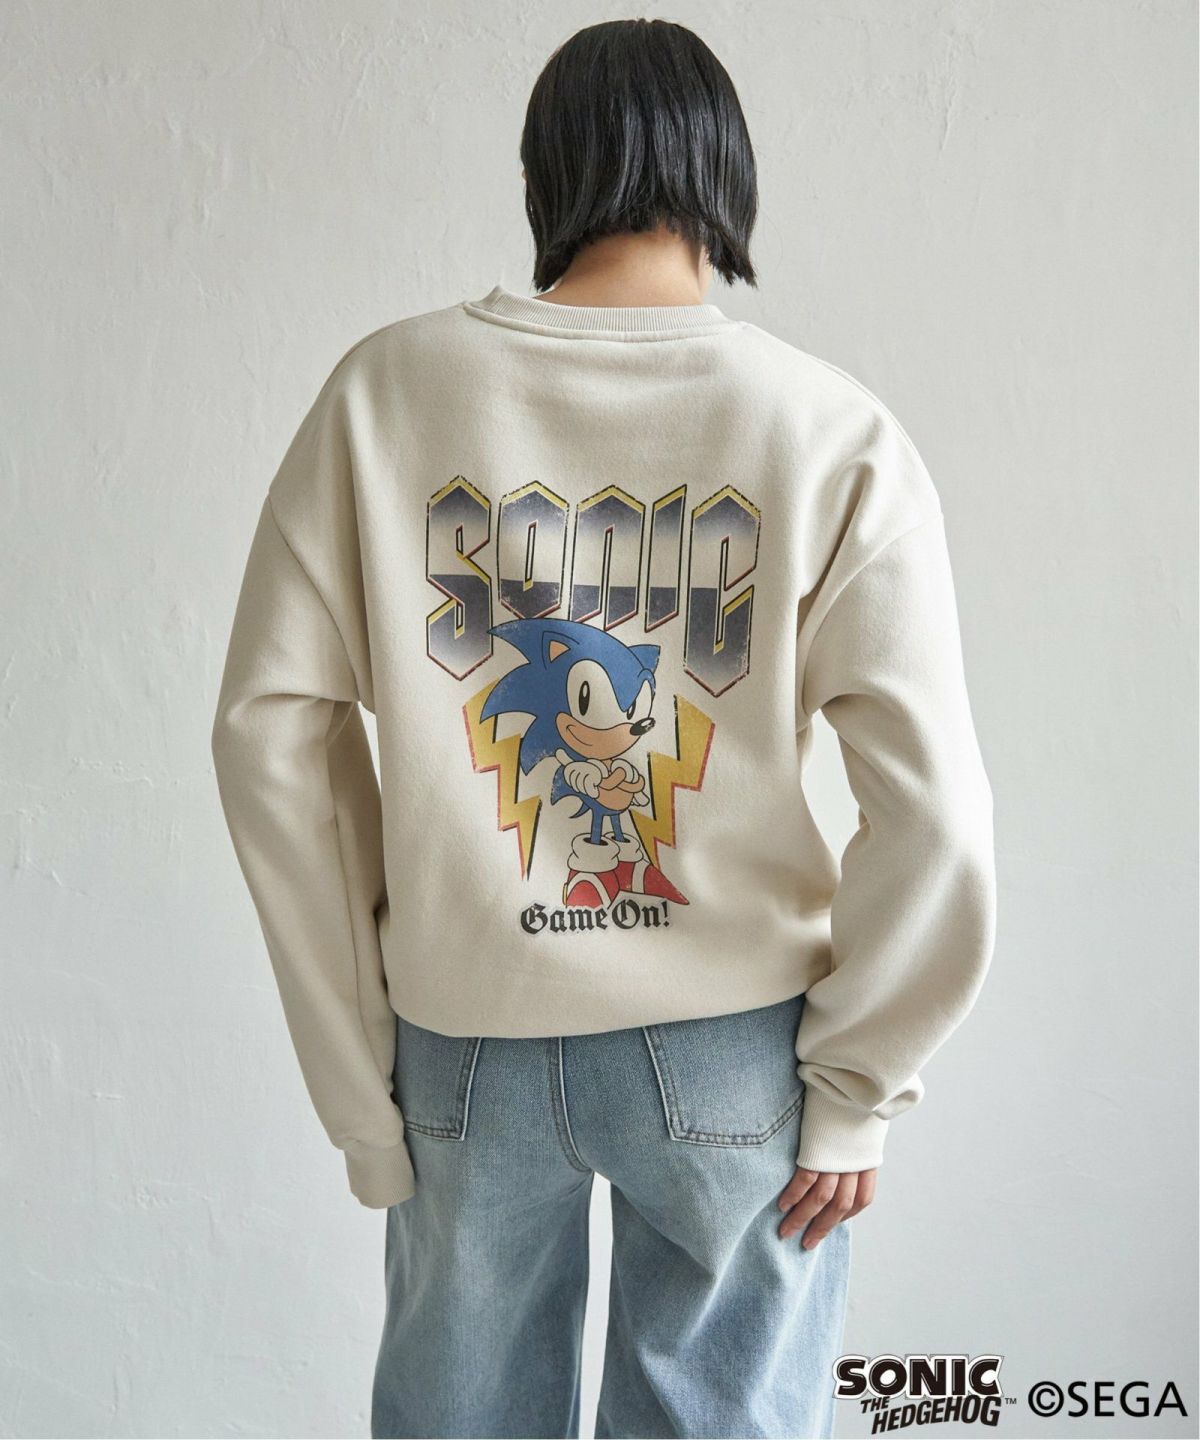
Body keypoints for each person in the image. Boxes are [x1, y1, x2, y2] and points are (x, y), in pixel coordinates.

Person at [211, 18, 996, 1440]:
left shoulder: (385, 395)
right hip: (733, 1052)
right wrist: (857, 1084)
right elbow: (932, 807)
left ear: (543, 177)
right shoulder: (831, 431)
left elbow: (272, 738)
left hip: (463, 1036)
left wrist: (358, 1088)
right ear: (729, 178)